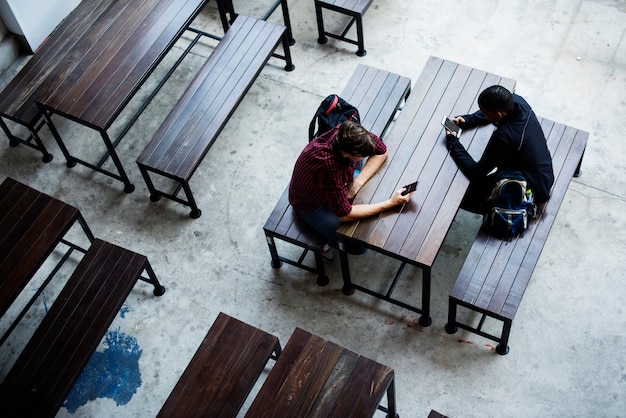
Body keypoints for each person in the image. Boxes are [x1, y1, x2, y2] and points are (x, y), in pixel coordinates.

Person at [288, 120, 413, 259]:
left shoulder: (345, 132)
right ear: (347, 153)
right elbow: (344, 214)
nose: (364, 158)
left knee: (370, 197)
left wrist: (357, 183)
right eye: (362, 156)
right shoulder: (329, 166)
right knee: (358, 245)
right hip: (310, 204)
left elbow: (382, 151)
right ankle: (319, 238)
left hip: (332, 185)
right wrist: (391, 203)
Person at [445, 85, 554, 214]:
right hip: (544, 171)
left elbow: (476, 172)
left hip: (532, 187)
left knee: (461, 196)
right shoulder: (518, 102)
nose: (483, 114)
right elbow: (493, 113)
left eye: (485, 112)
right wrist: (468, 119)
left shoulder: (505, 137)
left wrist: (453, 142)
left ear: (498, 115)